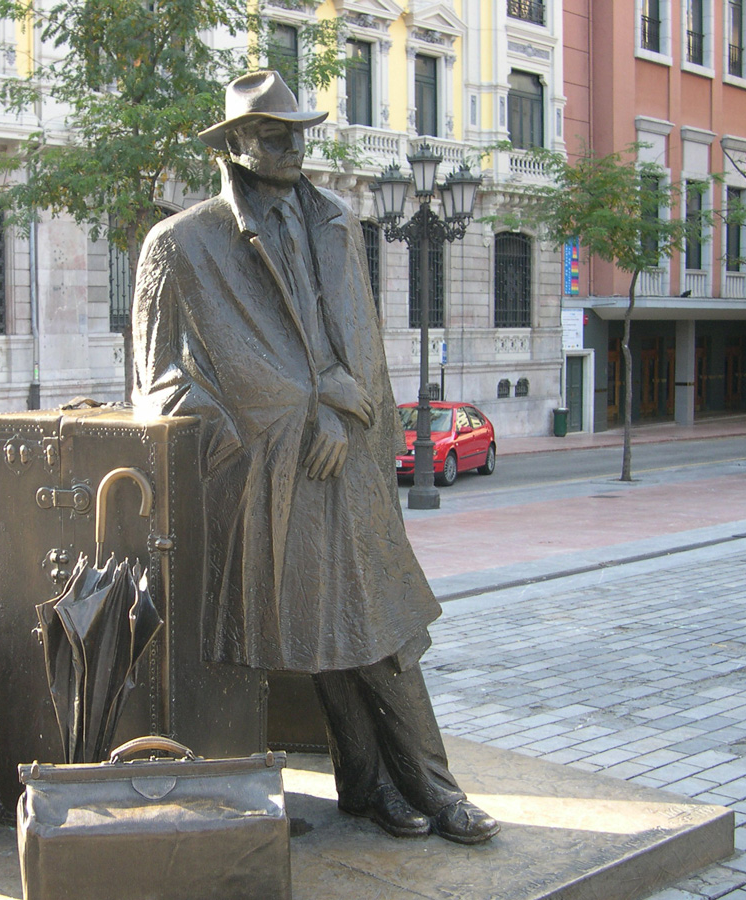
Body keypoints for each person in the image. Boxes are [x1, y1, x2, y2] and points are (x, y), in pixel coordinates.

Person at [132, 70, 499, 844]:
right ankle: (375, 788)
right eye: (273, 133)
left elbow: (361, 341)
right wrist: (245, 433)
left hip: (345, 460)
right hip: (262, 474)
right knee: (314, 635)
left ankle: (416, 787)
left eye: (299, 130)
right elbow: (154, 380)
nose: (294, 145)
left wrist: (341, 407)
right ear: (233, 144)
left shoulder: (336, 221)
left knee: (381, 634)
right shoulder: (179, 244)